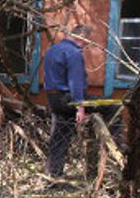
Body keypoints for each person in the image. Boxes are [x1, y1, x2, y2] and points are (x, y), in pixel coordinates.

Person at [43, 24, 120, 179]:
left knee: (59, 136)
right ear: (80, 36)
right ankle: (117, 146)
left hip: (53, 98)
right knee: (113, 106)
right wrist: (80, 107)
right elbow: (75, 82)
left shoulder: (52, 50)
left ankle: (52, 174)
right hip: (69, 98)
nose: (86, 44)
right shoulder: (74, 53)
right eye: (86, 40)